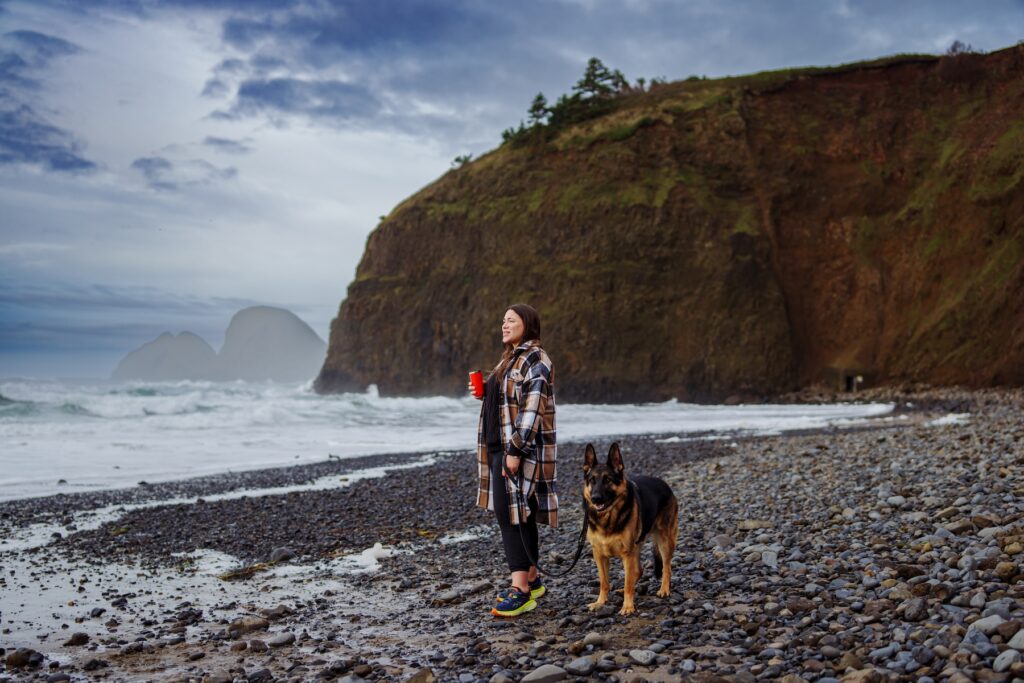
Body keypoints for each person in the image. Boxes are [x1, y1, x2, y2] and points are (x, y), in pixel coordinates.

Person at [469, 304, 558, 617]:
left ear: (527, 324)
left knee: (511, 516)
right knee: (523, 512)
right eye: (502, 320)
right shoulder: (510, 358)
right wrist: (485, 394)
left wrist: (515, 451)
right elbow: (512, 399)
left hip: (515, 450)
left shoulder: (536, 359)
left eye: (511, 320)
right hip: (498, 447)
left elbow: (532, 409)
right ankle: (532, 579)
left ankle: (519, 590)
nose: (503, 325)